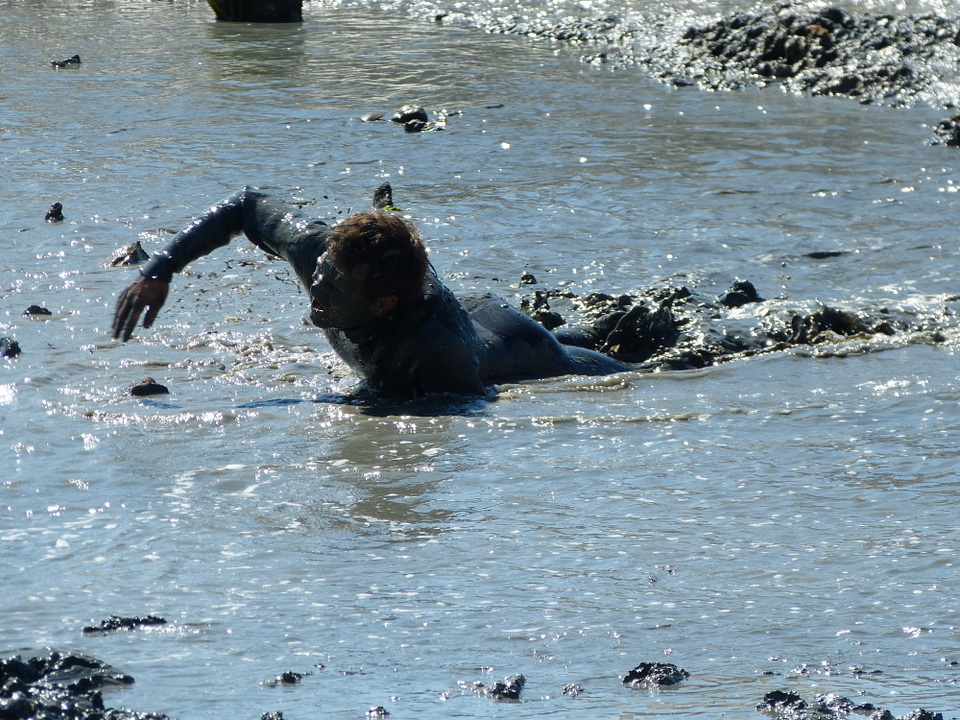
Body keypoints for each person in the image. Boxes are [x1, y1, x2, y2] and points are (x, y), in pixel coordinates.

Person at [112, 186, 631, 399]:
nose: (316, 286)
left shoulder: (433, 354)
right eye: (320, 271)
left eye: (334, 284)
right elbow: (245, 205)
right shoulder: (325, 256)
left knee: (623, 364)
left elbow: (466, 412)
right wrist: (161, 269)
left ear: (383, 305)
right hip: (466, 314)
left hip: (513, 346)